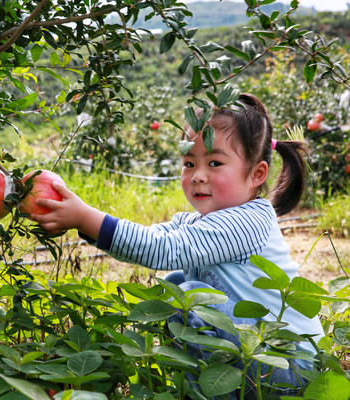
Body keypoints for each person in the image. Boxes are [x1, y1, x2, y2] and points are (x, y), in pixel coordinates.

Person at [30, 94, 324, 398]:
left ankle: (211, 393)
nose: (197, 176)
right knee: (175, 285)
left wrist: (86, 218)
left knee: (191, 299)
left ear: (256, 174)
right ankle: (197, 385)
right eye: (188, 162)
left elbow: (163, 249)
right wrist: (83, 218)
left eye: (214, 162)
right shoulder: (197, 221)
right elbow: (151, 238)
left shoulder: (249, 220)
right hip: (258, 352)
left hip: (288, 364)